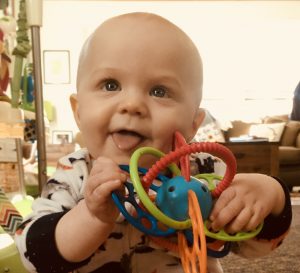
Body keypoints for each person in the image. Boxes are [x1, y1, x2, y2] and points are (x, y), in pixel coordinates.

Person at [15, 12, 292, 273]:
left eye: (159, 91)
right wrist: (91, 217)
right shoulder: (75, 172)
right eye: (110, 85)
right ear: (79, 111)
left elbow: (255, 247)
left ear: (194, 124)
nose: (132, 104)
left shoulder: (207, 175)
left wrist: (272, 195)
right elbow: (34, 253)